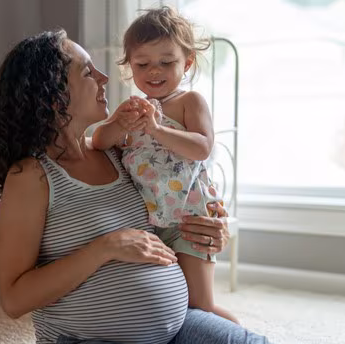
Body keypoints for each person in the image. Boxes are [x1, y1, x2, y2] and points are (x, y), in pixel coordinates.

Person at [0, 29, 345, 344]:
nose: (105, 78)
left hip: (178, 326)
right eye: (88, 72)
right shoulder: (31, 176)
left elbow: (169, 209)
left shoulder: (120, 153)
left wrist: (206, 225)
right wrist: (103, 248)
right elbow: (14, 299)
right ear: (53, 92)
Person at [92, 6, 238, 323]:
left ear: (186, 63)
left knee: (200, 306)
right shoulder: (130, 109)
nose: (154, 71)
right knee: (163, 306)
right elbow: (99, 142)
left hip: (191, 217)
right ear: (129, 67)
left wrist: (157, 129)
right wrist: (120, 124)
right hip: (147, 224)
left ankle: (240, 342)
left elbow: (202, 147)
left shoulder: (189, 102)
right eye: (143, 63)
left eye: (166, 62)